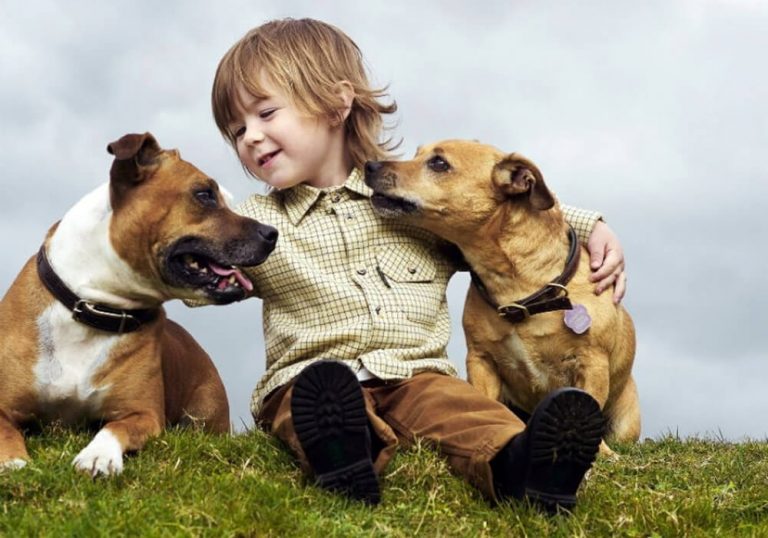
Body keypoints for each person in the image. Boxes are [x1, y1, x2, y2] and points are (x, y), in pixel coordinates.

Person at [208, 18, 626, 511]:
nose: (250, 138)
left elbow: (498, 218)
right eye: (237, 130)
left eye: (265, 113)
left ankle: (524, 466)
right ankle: (343, 458)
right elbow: (194, 258)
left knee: (468, 413)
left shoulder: (418, 208)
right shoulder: (252, 223)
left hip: (417, 377)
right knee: (310, 404)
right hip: (313, 377)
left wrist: (589, 224)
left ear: (338, 105)